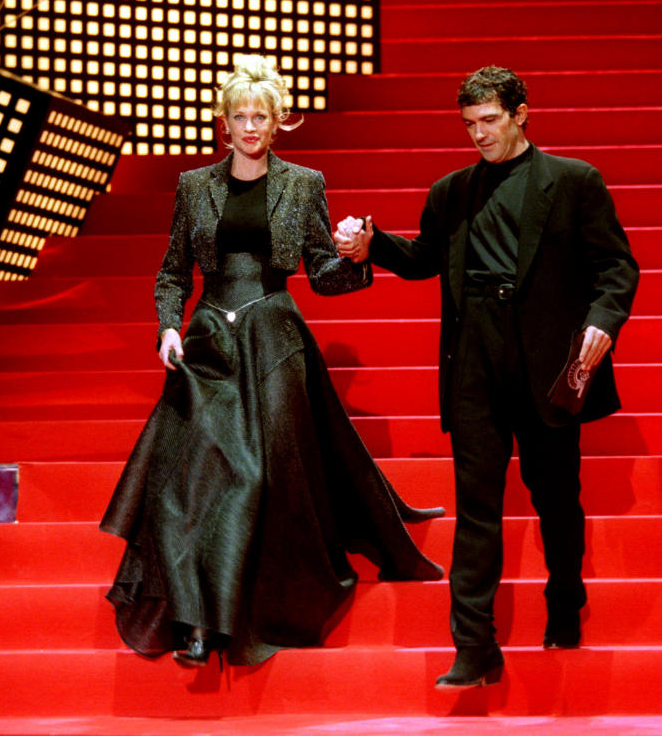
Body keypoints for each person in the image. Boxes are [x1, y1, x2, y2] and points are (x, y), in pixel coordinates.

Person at [99, 55, 444, 670]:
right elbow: (173, 273)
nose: (251, 125)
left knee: (257, 477)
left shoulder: (303, 183)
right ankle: (197, 623)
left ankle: (243, 612)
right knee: (195, 480)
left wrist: (357, 252)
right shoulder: (193, 186)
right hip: (208, 340)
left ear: (279, 120)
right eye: (240, 115)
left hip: (274, 337)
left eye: (261, 115)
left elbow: (324, 275)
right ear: (223, 122)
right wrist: (165, 331)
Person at [335, 65, 639, 689]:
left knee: (555, 496)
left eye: (490, 121)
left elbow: (616, 267)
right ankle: (474, 647)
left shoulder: (574, 181)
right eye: (470, 125)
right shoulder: (452, 191)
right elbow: (424, 258)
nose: (479, 135)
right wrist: (374, 245)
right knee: (478, 507)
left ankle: (564, 600)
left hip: (546, 364)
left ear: (521, 114)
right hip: (474, 360)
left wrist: (602, 323)